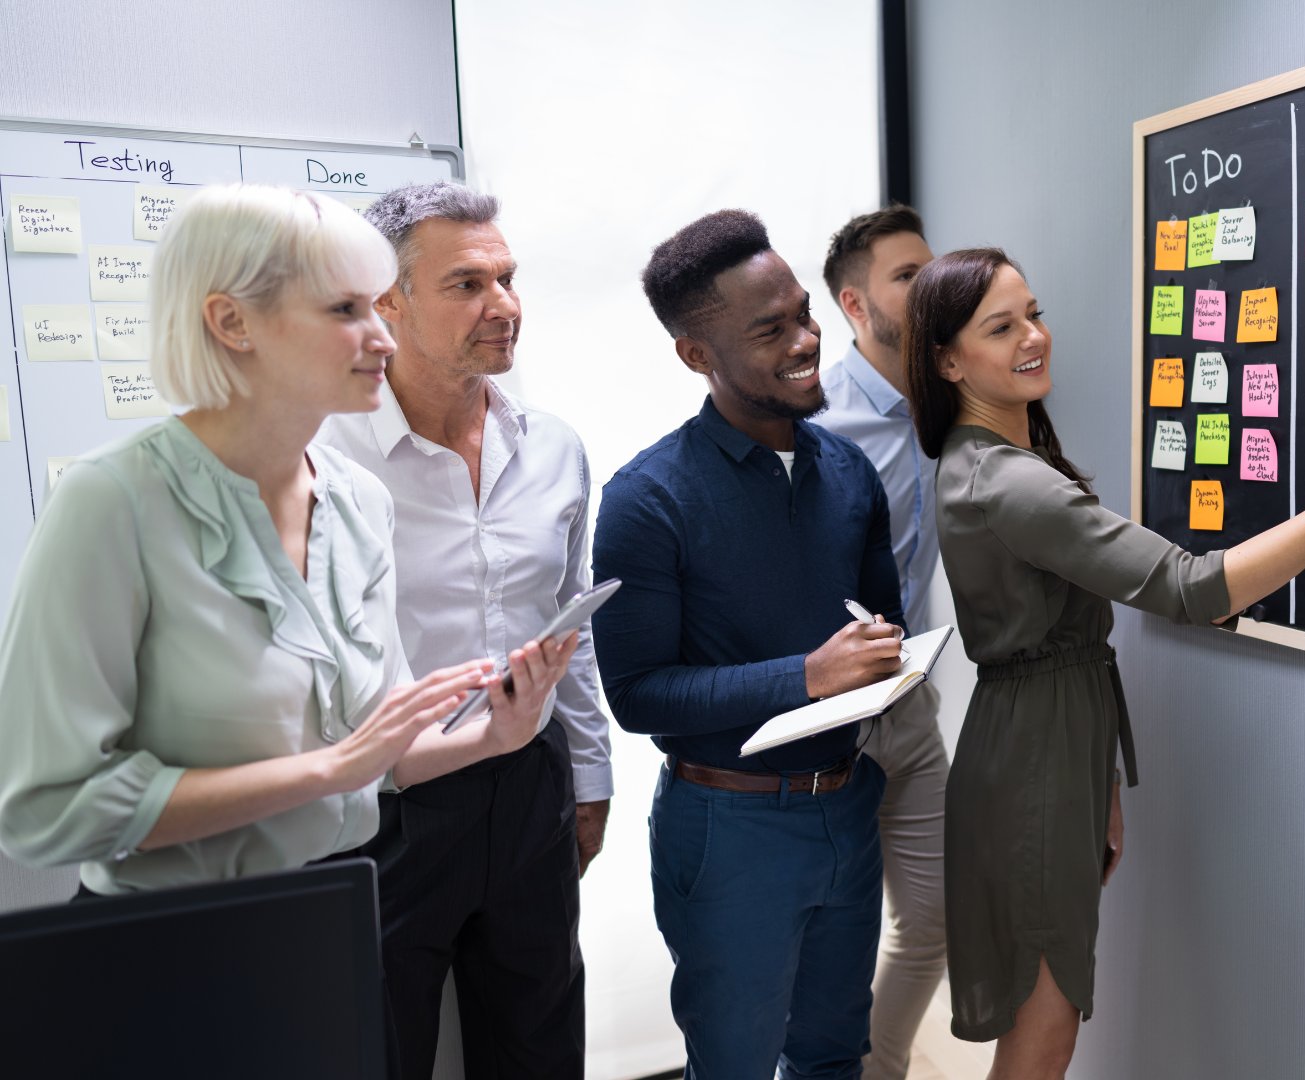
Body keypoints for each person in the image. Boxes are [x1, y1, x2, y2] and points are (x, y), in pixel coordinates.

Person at [903, 248, 1305, 1074]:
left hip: (1040, 751)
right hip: (1034, 768)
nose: (1033, 337)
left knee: (1045, 1018)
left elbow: (1062, 651)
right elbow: (1197, 589)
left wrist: (1103, 787)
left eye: (1033, 313)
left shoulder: (982, 461)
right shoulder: (1011, 484)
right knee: (1044, 1037)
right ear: (947, 360)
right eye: (1001, 327)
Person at [0, 184, 569, 897]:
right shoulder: (112, 502)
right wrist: (327, 772)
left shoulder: (357, 499)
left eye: (377, 304)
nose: (383, 337)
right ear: (232, 321)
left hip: (336, 910)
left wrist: (496, 736)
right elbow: (44, 811)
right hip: (170, 936)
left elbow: (378, 752)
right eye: (344, 310)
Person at [593, 209, 904, 1078]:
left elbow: (885, 619)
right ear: (699, 355)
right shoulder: (647, 499)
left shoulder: (848, 471)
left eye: (806, 314)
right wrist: (806, 676)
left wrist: (889, 652)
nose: (809, 340)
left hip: (846, 805)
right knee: (732, 1066)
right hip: (728, 827)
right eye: (772, 330)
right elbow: (640, 694)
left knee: (834, 1056)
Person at [314, 181, 611, 1079]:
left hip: (530, 786)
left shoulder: (553, 447)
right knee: (379, 1049)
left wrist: (589, 772)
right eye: (468, 285)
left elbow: (573, 621)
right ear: (388, 303)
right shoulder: (323, 458)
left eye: (508, 279)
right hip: (390, 807)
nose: (504, 307)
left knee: (539, 1046)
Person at [817, 204, 947, 1079]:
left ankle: (883, 1069)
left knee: (936, 921)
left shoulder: (958, 403)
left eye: (931, 271)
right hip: (830, 719)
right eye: (908, 277)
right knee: (833, 939)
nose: (931, 288)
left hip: (914, 700)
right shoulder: (812, 422)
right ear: (855, 306)